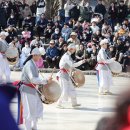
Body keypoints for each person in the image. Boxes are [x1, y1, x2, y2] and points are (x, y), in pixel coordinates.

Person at [20, 48, 52, 130]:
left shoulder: (33, 63)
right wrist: (45, 81)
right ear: (34, 55)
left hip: (32, 89)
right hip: (27, 90)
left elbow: (36, 79)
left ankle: (34, 126)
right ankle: (28, 128)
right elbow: (33, 79)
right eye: (39, 55)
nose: (40, 57)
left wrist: (45, 80)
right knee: (29, 111)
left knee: (37, 107)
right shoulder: (29, 65)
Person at [56, 43, 86, 108]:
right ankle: (58, 104)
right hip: (63, 75)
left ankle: (74, 103)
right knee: (64, 90)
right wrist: (81, 62)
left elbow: (71, 66)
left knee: (72, 89)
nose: (75, 51)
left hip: (66, 74)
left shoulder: (68, 56)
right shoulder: (66, 56)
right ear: (70, 49)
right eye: (74, 49)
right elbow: (72, 65)